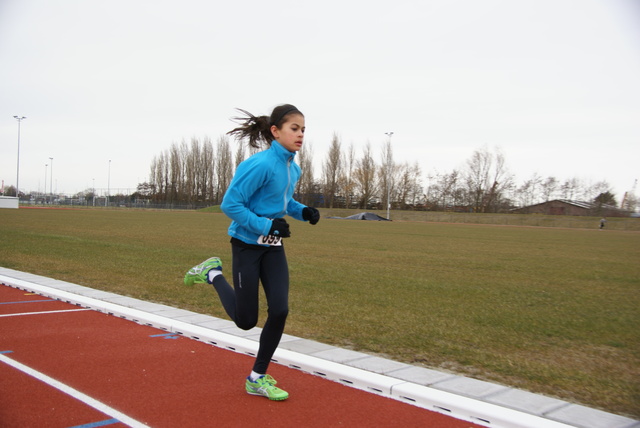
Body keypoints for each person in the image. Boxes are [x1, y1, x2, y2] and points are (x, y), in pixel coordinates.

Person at [183, 104, 320, 401]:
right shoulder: (259, 165)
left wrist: (302, 211)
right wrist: (267, 226)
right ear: (275, 131)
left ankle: (257, 377)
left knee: (280, 309)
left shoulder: (291, 167)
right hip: (246, 246)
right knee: (245, 320)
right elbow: (231, 205)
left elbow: (282, 202)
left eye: (303, 130)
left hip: (272, 249)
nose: (300, 135)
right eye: (294, 128)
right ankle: (212, 273)